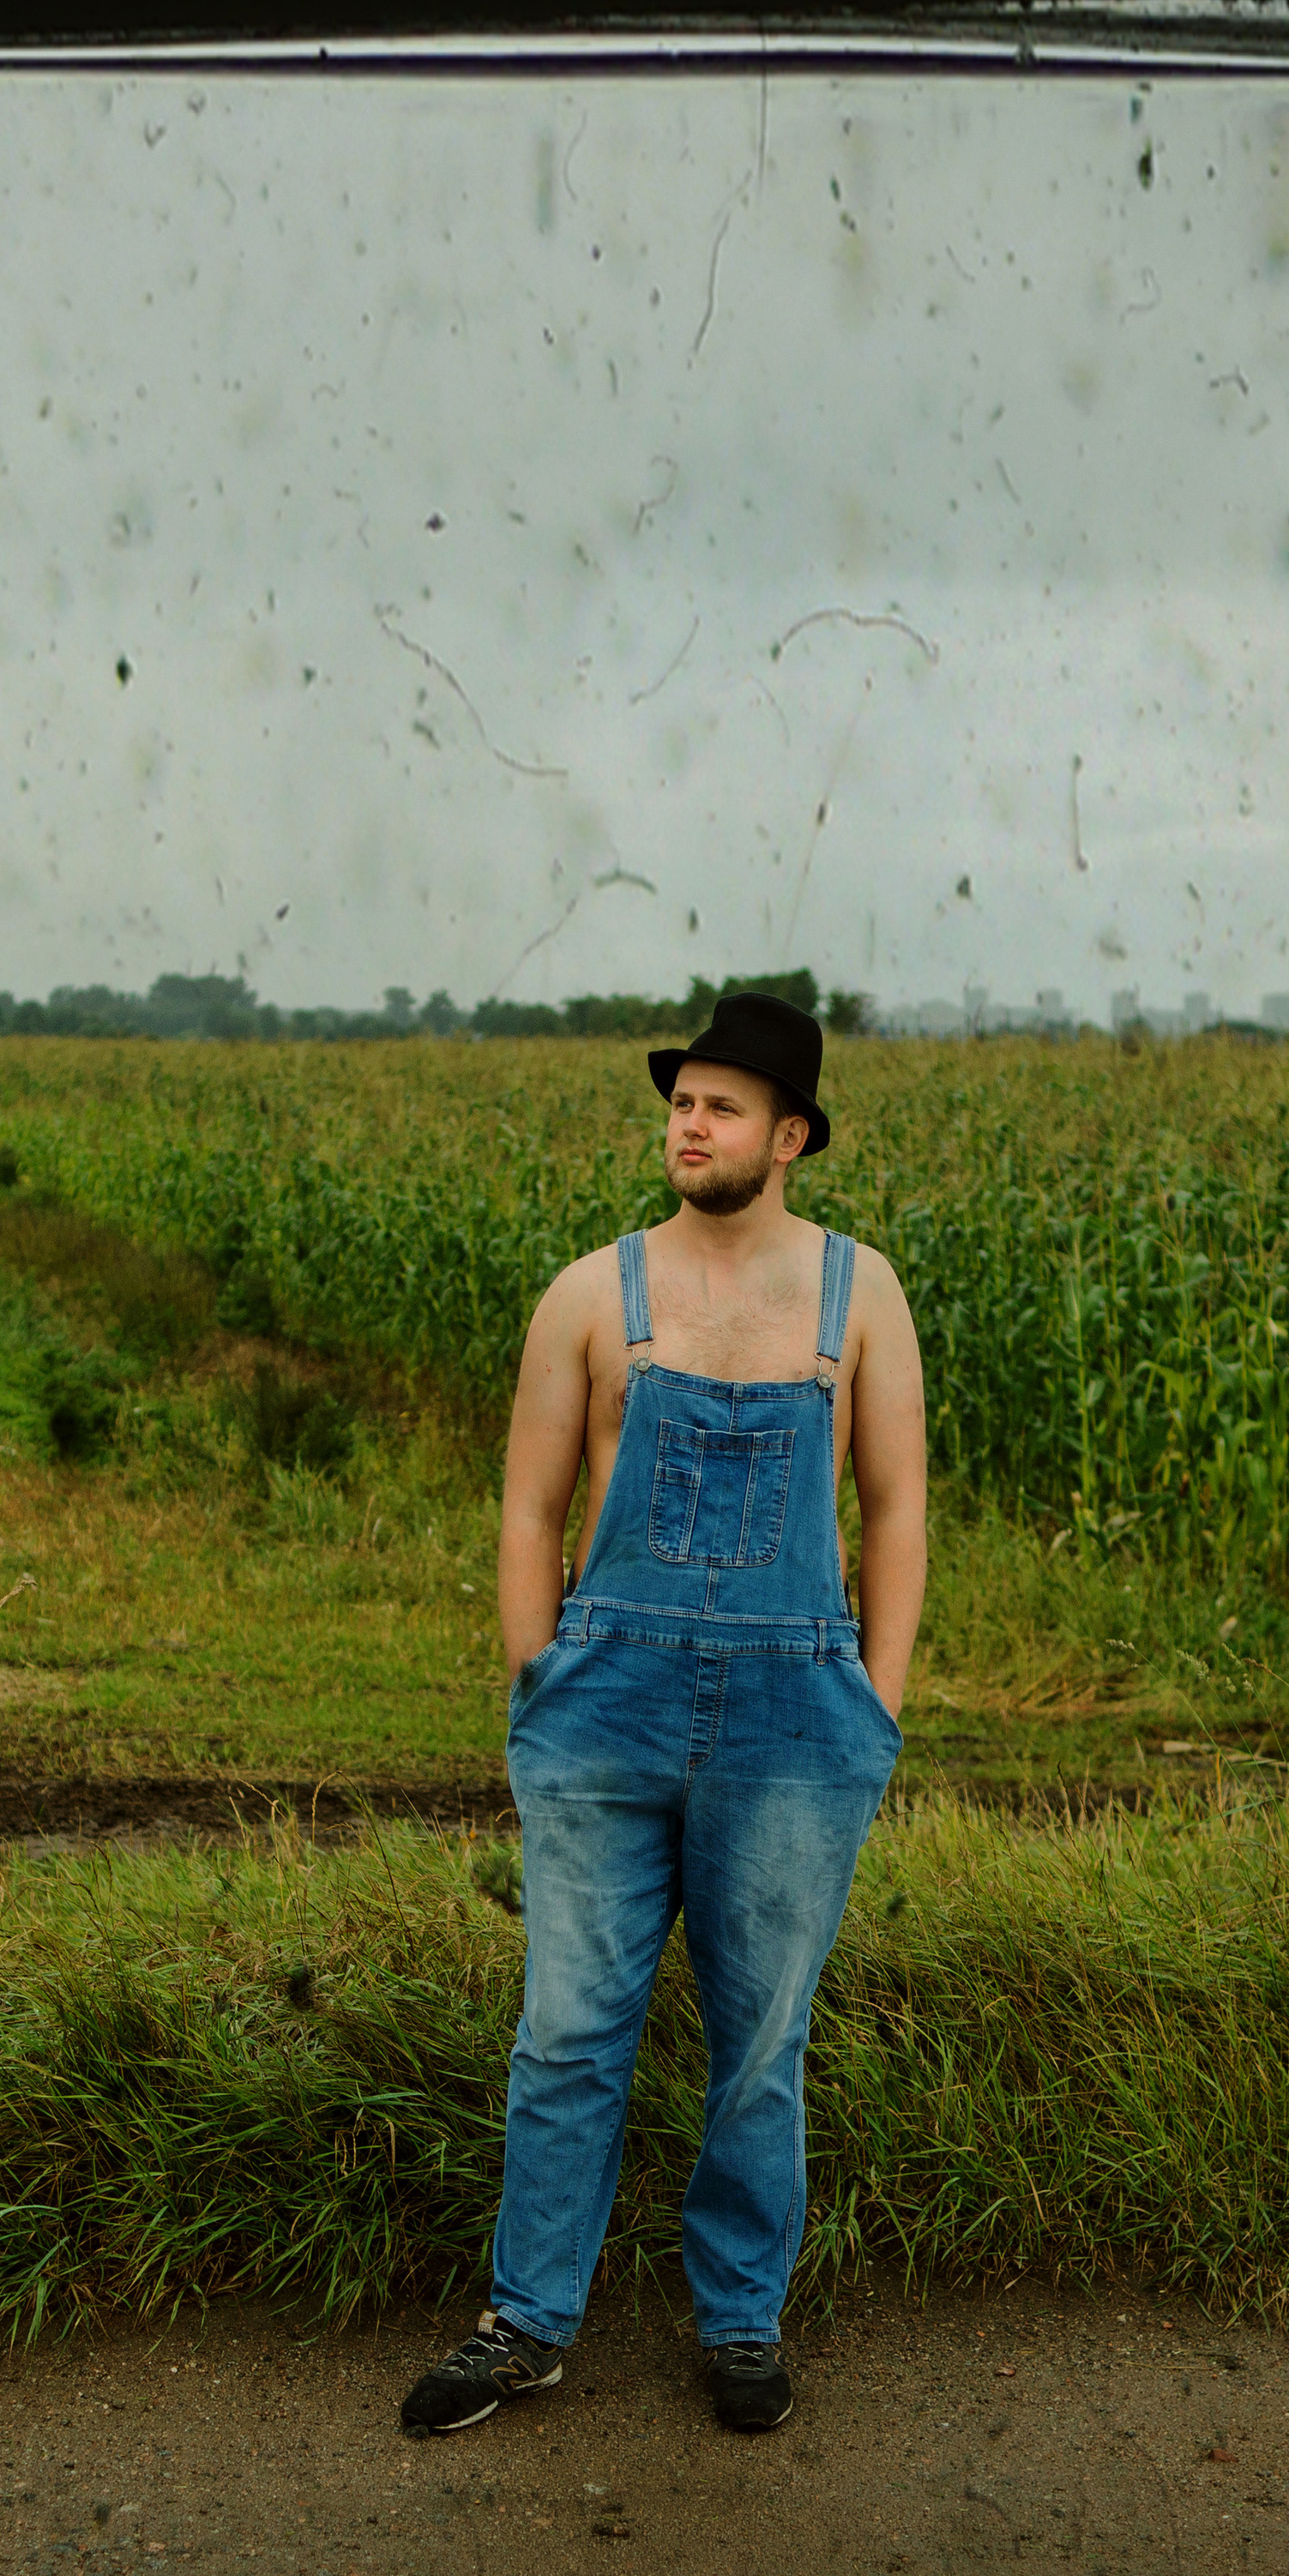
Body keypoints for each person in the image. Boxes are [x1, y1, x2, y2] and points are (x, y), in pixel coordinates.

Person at [400, 989, 928, 2437]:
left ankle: (742, 2321)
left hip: (797, 1723)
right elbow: (528, 1508)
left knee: (762, 2039)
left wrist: (869, 1708)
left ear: (793, 1137)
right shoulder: (592, 1294)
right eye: (681, 1100)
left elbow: (896, 1513)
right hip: (604, 1710)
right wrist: (540, 1677)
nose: (688, 1124)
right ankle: (526, 2323)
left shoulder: (857, 1297)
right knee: (570, 2028)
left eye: (722, 1105)